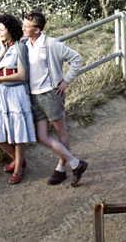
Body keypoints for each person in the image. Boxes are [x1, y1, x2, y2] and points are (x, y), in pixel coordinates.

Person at [21, 10, 89, 186]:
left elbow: (76, 59)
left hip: (51, 94)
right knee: (41, 136)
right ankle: (75, 163)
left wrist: (66, 81)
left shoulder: (52, 44)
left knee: (61, 132)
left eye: (27, 26)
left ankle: (60, 168)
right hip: (34, 96)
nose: (24, 27)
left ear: (37, 30)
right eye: (24, 24)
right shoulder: (24, 44)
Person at [0, 13, 36, 185]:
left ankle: (18, 168)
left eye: (1, 29)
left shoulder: (20, 47)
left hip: (16, 92)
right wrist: (2, 51)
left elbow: (22, 75)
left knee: (18, 131)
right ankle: (18, 159)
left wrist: (1, 79)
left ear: (10, 30)